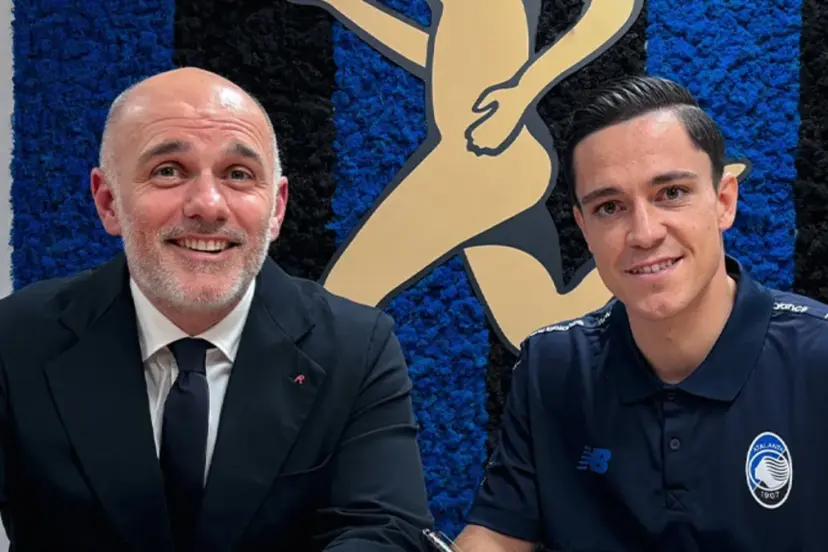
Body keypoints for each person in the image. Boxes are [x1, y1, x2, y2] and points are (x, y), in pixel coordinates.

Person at [0, 67, 433, 551]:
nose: (208, 205)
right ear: (108, 202)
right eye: (168, 171)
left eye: (238, 175)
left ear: (276, 208)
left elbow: (384, 531)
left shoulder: (357, 348)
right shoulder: (16, 338)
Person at [453, 75, 828, 551]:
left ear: (724, 201)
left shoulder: (817, 356)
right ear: (584, 228)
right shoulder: (553, 365)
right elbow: (497, 537)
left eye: (671, 193)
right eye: (610, 207)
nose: (645, 233)